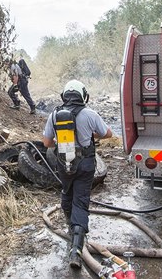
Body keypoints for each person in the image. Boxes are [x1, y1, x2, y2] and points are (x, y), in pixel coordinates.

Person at [42, 79, 112, 269]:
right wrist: (89, 133)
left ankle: (70, 224)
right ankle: (76, 249)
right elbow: (108, 134)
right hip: (86, 165)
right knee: (81, 200)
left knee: (67, 192)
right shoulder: (90, 114)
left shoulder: (55, 114)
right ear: (83, 95)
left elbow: (47, 143)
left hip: (64, 163)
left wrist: (63, 139)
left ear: (64, 96)